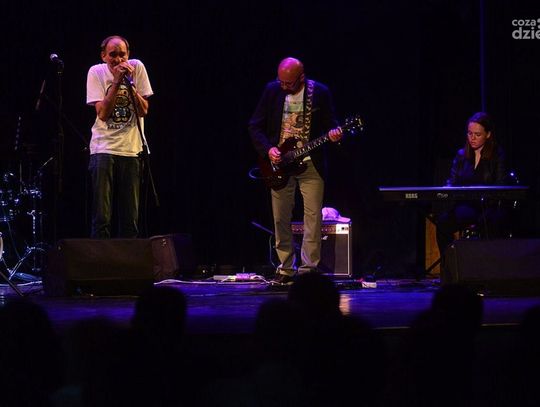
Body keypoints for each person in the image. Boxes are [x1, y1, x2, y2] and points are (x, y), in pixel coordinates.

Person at [249, 57, 342, 284]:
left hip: (310, 163)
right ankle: (286, 269)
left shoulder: (319, 92)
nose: (283, 86)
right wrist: (268, 149)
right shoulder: (272, 90)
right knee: (280, 217)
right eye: (281, 81)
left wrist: (335, 134)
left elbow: (331, 124)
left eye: (288, 83)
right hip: (279, 165)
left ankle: (308, 270)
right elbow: (254, 126)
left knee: (313, 218)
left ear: (301, 77)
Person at [86, 35, 153, 238]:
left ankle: (129, 258)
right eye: (113, 55)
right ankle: (100, 258)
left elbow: (143, 110)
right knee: (102, 217)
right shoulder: (96, 72)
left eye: (122, 54)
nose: (118, 59)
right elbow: (103, 114)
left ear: (128, 54)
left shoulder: (137, 67)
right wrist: (116, 81)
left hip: (132, 150)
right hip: (103, 149)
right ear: (103, 56)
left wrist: (129, 83)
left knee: (130, 218)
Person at [436, 112, 508, 257]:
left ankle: (488, 264)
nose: (472, 138)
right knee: (443, 224)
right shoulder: (461, 155)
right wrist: (447, 187)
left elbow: (501, 185)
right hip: (466, 206)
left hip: (488, 207)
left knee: (490, 222)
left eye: (477, 134)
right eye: (470, 133)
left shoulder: (497, 155)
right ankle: (450, 264)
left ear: (488, 135)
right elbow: (452, 181)